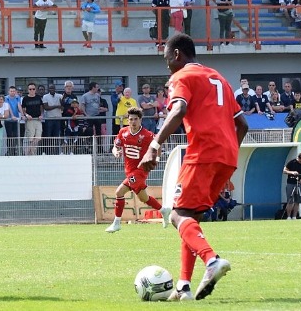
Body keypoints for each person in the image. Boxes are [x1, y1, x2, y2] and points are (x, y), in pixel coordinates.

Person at [141, 33, 248, 301]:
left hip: (203, 152)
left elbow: (177, 111)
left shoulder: (181, 77)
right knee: (192, 218)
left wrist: (154, 143)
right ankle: (183, 286)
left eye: (166, 58)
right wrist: (227, 153)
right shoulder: (219, 78)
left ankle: (211, 260)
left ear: (177, 54)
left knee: (177, 216)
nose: (166, 64)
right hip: (228, 156)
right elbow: (243, 124)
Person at [105, 107, 163, 233]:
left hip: (141, 170)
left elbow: (158, 144)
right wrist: (116, 152)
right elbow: (115, 146)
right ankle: (164, 211)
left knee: (119, 192)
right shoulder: (123, 132)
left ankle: (116, 223)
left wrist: (157, 159)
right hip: (129, 171)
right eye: (131, 119)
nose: (133, 122)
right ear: (128, 120)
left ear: (140, 120)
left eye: (136, 119)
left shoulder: (146, 135)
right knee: (144, 198)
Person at [283, 153, 301, 220]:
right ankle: (288, 216)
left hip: (299, 184)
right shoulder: (292, 162)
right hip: (290, 183)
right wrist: (292, 172)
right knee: (290, 200)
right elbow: (284, 170)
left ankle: (294, 216)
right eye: (299, 160)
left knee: (298, 201)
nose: (300, 162)